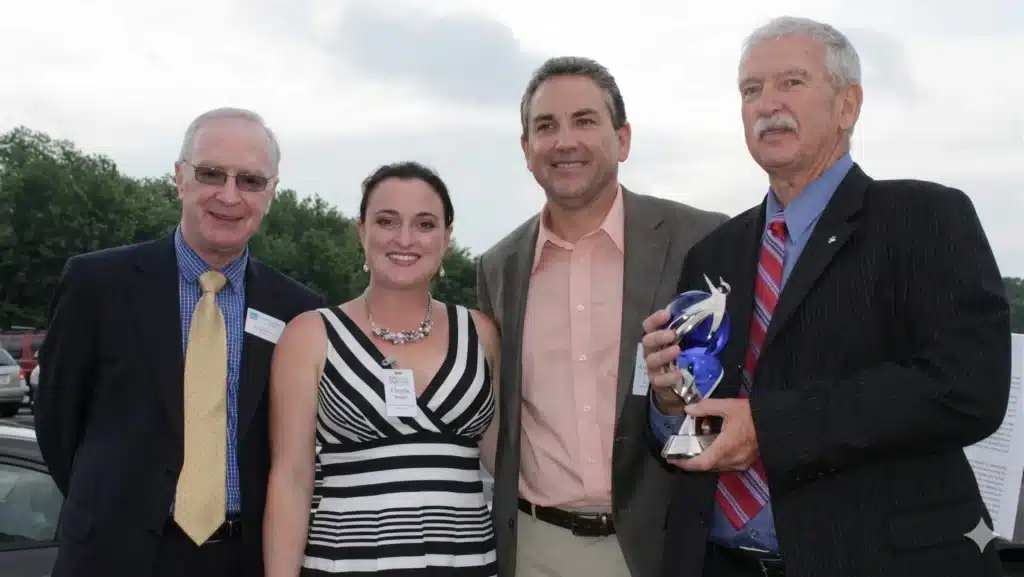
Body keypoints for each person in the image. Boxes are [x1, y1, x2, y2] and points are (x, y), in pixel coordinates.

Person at [642, 16, 1010, 577]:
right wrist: (671, 406)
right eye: (750, 89)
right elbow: (703, 430)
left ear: (848, 105)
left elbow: (968, 388)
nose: (767, 103)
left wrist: (769, 427)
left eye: (791, 82)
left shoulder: (924, 218)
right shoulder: (713, 254)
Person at [34, 107, 326, 577]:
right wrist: (115, 512)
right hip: (111, 557)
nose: (229, 196)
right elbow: (56, 419)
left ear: (271, 193)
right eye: (211, 174)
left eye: (250, 181)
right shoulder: (98, 284)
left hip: (241, 559)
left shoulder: (297, 310)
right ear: (179, 178)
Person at [476, 56, 728, 577]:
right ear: (527, 151)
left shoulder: (702, 241)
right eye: (546, 126)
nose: (564, 141)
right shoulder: (498, 267)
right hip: (536, 546)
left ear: (623, 139)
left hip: (664, 546)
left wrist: (680, 404)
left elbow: (736, 397)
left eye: (585, 121)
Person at [263, 161, 501, 577]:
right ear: (362, 231)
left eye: (425, 224)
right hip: (346, 564)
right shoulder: (311, 335)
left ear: (447, 237)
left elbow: (507, 461)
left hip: (467, 564)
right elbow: (291, 480)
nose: (404, 238)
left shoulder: (480, 334)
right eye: (387, 221)